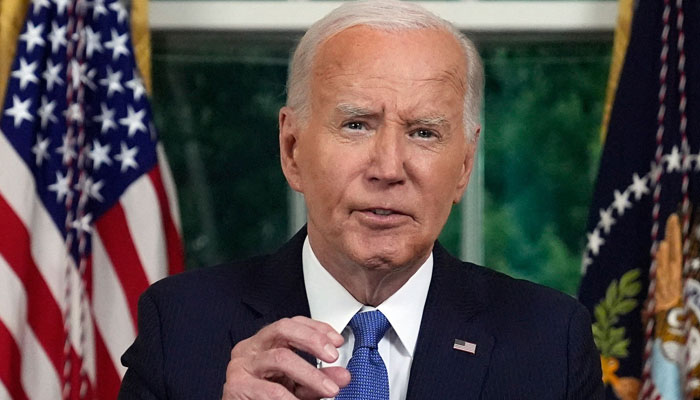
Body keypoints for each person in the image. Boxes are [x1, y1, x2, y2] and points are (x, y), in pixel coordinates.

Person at [118, 1, 604, 399]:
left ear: (464, 166)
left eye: (424, 132)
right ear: (292, 149)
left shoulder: (549, 343)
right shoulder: (181, 328)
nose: (389, 168)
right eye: (356, 125)